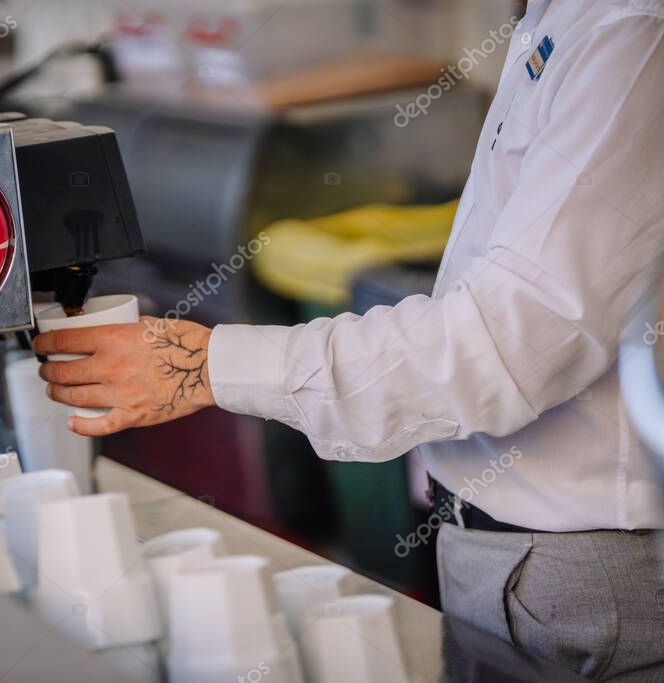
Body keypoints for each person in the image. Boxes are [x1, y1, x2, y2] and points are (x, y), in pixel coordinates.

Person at [34, 1, 664, 679]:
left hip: (578, 574)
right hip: (502, 551)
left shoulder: (631, 33)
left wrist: (205, 366)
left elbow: (503, 344)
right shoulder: (561, 17)